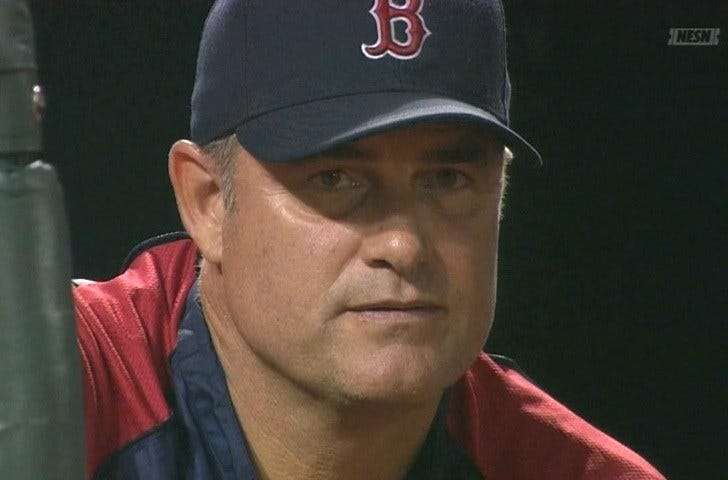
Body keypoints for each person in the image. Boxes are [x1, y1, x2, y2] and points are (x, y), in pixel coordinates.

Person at [73, 1, 665, 479]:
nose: (404, 246)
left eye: (447, 179)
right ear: (207, 203)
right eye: (335, 178)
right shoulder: (69, 381)